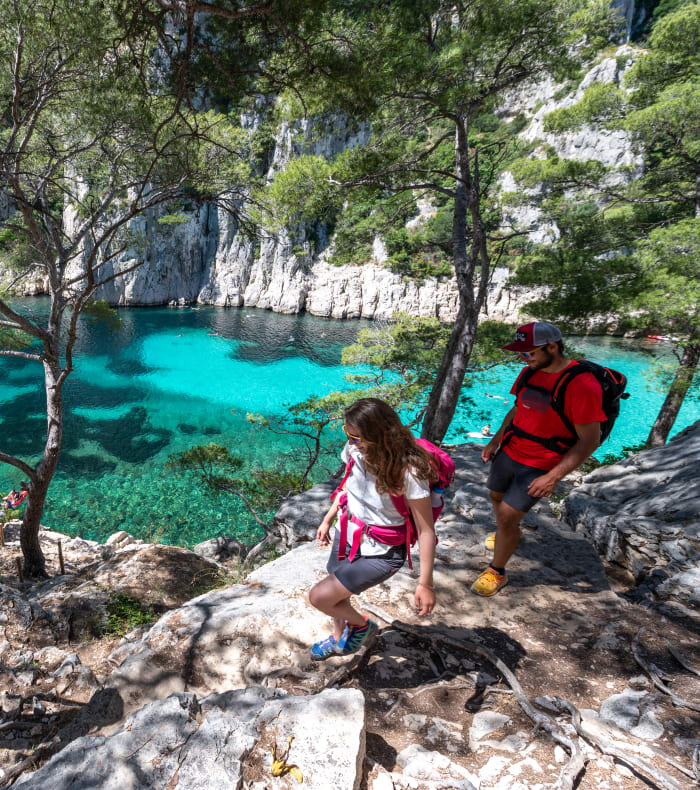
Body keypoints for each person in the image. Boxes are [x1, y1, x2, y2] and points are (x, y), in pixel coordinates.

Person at [474, 322, 605, 596]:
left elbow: (590, 439)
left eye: (528, 353)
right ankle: (508, 535)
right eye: (520, 354)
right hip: (510, 451)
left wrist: (554, 476)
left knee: (508, 518)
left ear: (552, 347)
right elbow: (517, 410)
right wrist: (495, 440)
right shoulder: (529, 373)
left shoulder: (581, 384)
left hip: (541, 462)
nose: (523, 359)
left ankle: (497, 571)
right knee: (496, 497)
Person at [308, 398, 438, 659]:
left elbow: (426, 531)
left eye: (357, 437)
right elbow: (347, 486)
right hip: (347, 533)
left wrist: (426, 583)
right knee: (336, 591)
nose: (351, 441)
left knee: (320, 596)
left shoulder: (409, 472)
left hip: (383, 552)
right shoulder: (355, 450)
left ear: (380, 436)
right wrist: (328, 518)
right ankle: (336, 638)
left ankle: (362, 626)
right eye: (348, 433)